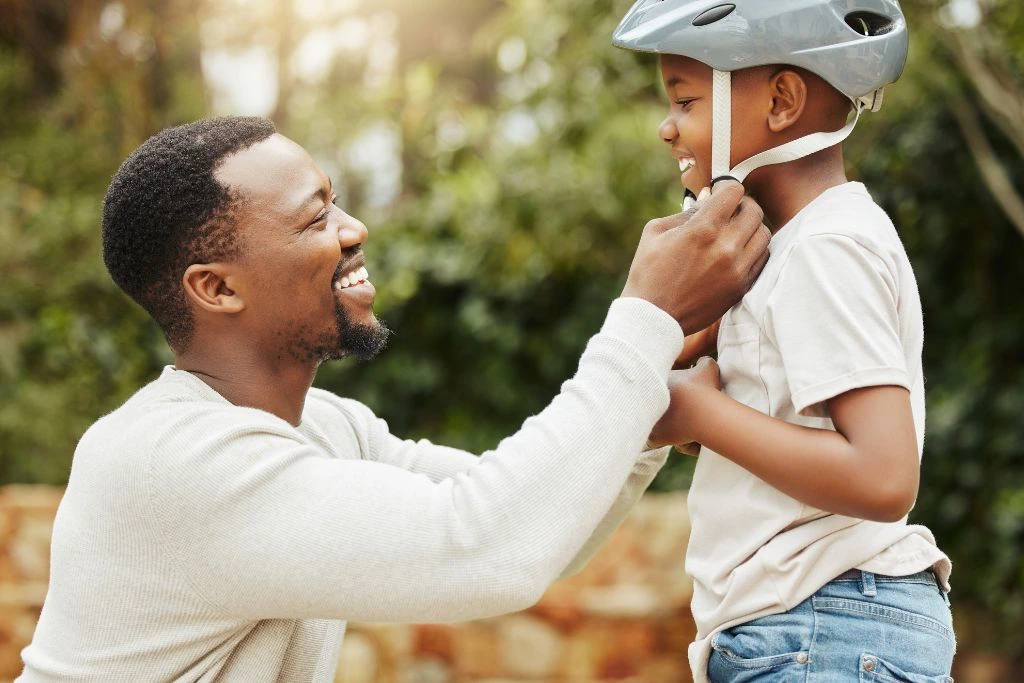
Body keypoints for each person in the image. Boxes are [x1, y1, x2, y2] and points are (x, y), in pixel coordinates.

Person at [17, 116, 770, 681]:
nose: (354, 230)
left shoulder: (323, 428)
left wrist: (645, 414)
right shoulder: (168, 460)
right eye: (315, 218)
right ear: (216, 287)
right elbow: (483, 547)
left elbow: (537, 532)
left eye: (336, 203)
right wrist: (642, 320)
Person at [614, 1, 955, 681]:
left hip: (823, 625)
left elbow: (884, 476)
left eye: (683, 98)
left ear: (780, 100)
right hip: (812, 624)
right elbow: (781, 426)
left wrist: (702, 413)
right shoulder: (789, 248)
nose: (665, 125)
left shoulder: (826, 249)